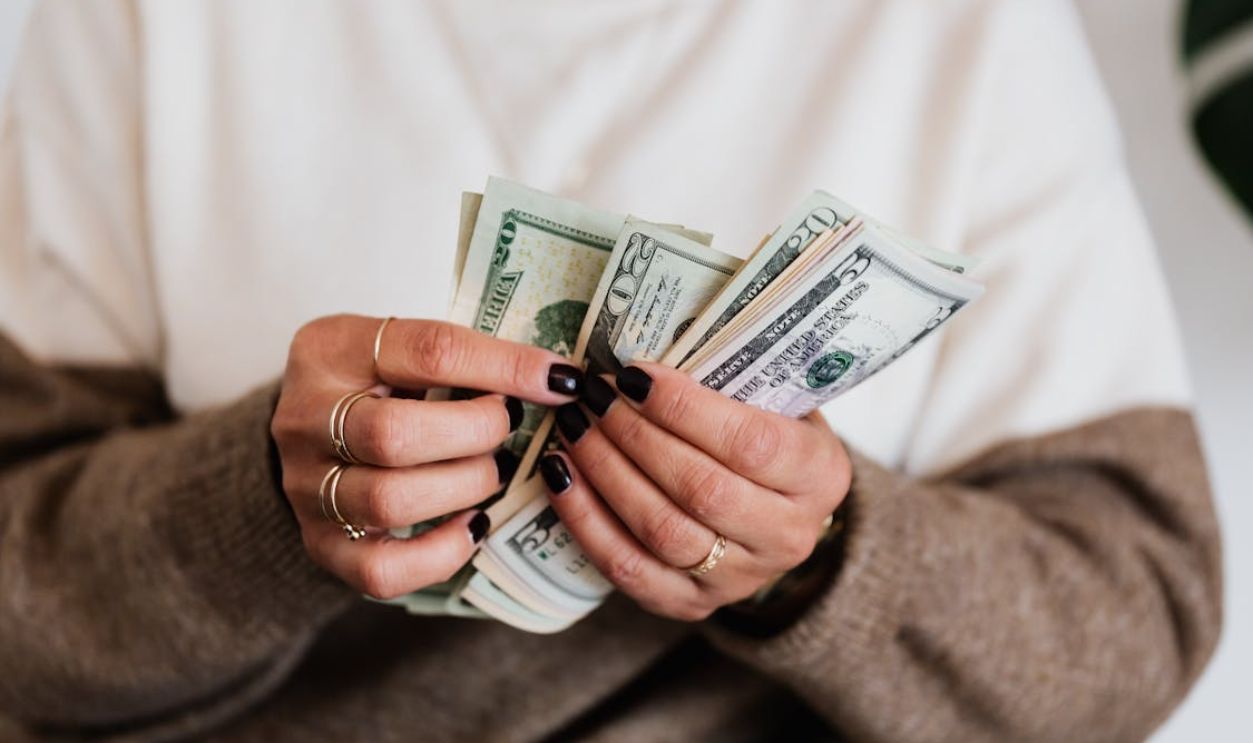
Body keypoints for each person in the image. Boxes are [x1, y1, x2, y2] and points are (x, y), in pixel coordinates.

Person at [0, 1, 1222, 741]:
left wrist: (820, 556)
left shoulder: (971, 32)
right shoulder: (140, 21)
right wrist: (259, 501)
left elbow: (1131, 615)